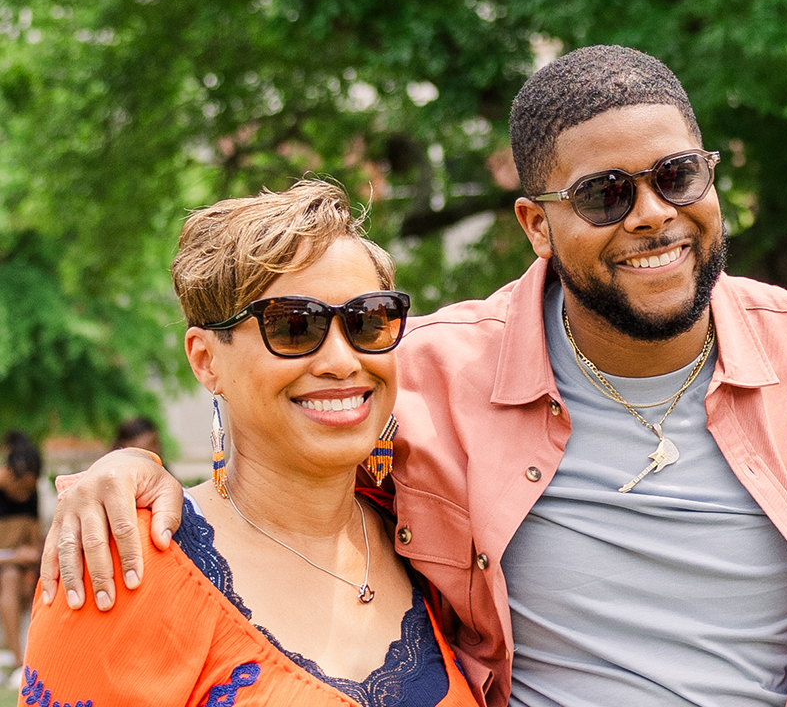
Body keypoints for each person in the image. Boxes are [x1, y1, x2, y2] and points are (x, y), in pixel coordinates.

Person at [41, 47, 787, 707]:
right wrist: (127, 471)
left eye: (677, 177)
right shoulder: (434, 372)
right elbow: (287, 438)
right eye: (605, 195)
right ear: (532, 221)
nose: (652, 217)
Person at [21, 180, 477, 706]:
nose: (342, 361)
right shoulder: (123, 559)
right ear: (205, 359)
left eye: (367, 320)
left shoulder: (428, 536)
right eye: (293, 326)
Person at [0, 431, 42, 669]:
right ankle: (20, 660)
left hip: (20, 565)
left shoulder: (30, 493)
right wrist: (14, 557)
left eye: (30, 489)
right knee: (11, 577)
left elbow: (34, 541)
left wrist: (31, 558)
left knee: (27, 581)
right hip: (7, 569)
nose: (26, 495)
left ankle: (37, 655)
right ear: (8, 474)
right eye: (22, 488)